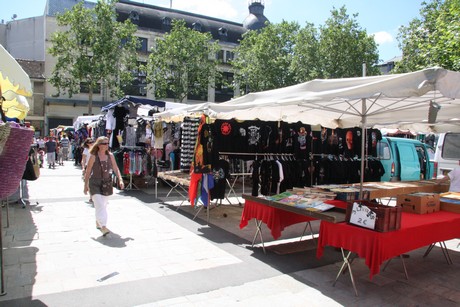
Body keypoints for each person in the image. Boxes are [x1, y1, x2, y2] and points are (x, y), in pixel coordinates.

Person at [83, 136, 124, 236]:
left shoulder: (110, 156)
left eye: (107, 143)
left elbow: (115, 168)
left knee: (103, 205)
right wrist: (85, 185)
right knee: (100, 204)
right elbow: (88, 171)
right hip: (94, 183)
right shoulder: (93, 156)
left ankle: (98, 221)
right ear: (99, 145)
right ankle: (104, 226)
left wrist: (120, 179)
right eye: (104, 143)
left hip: (106, 183)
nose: (107, 145)